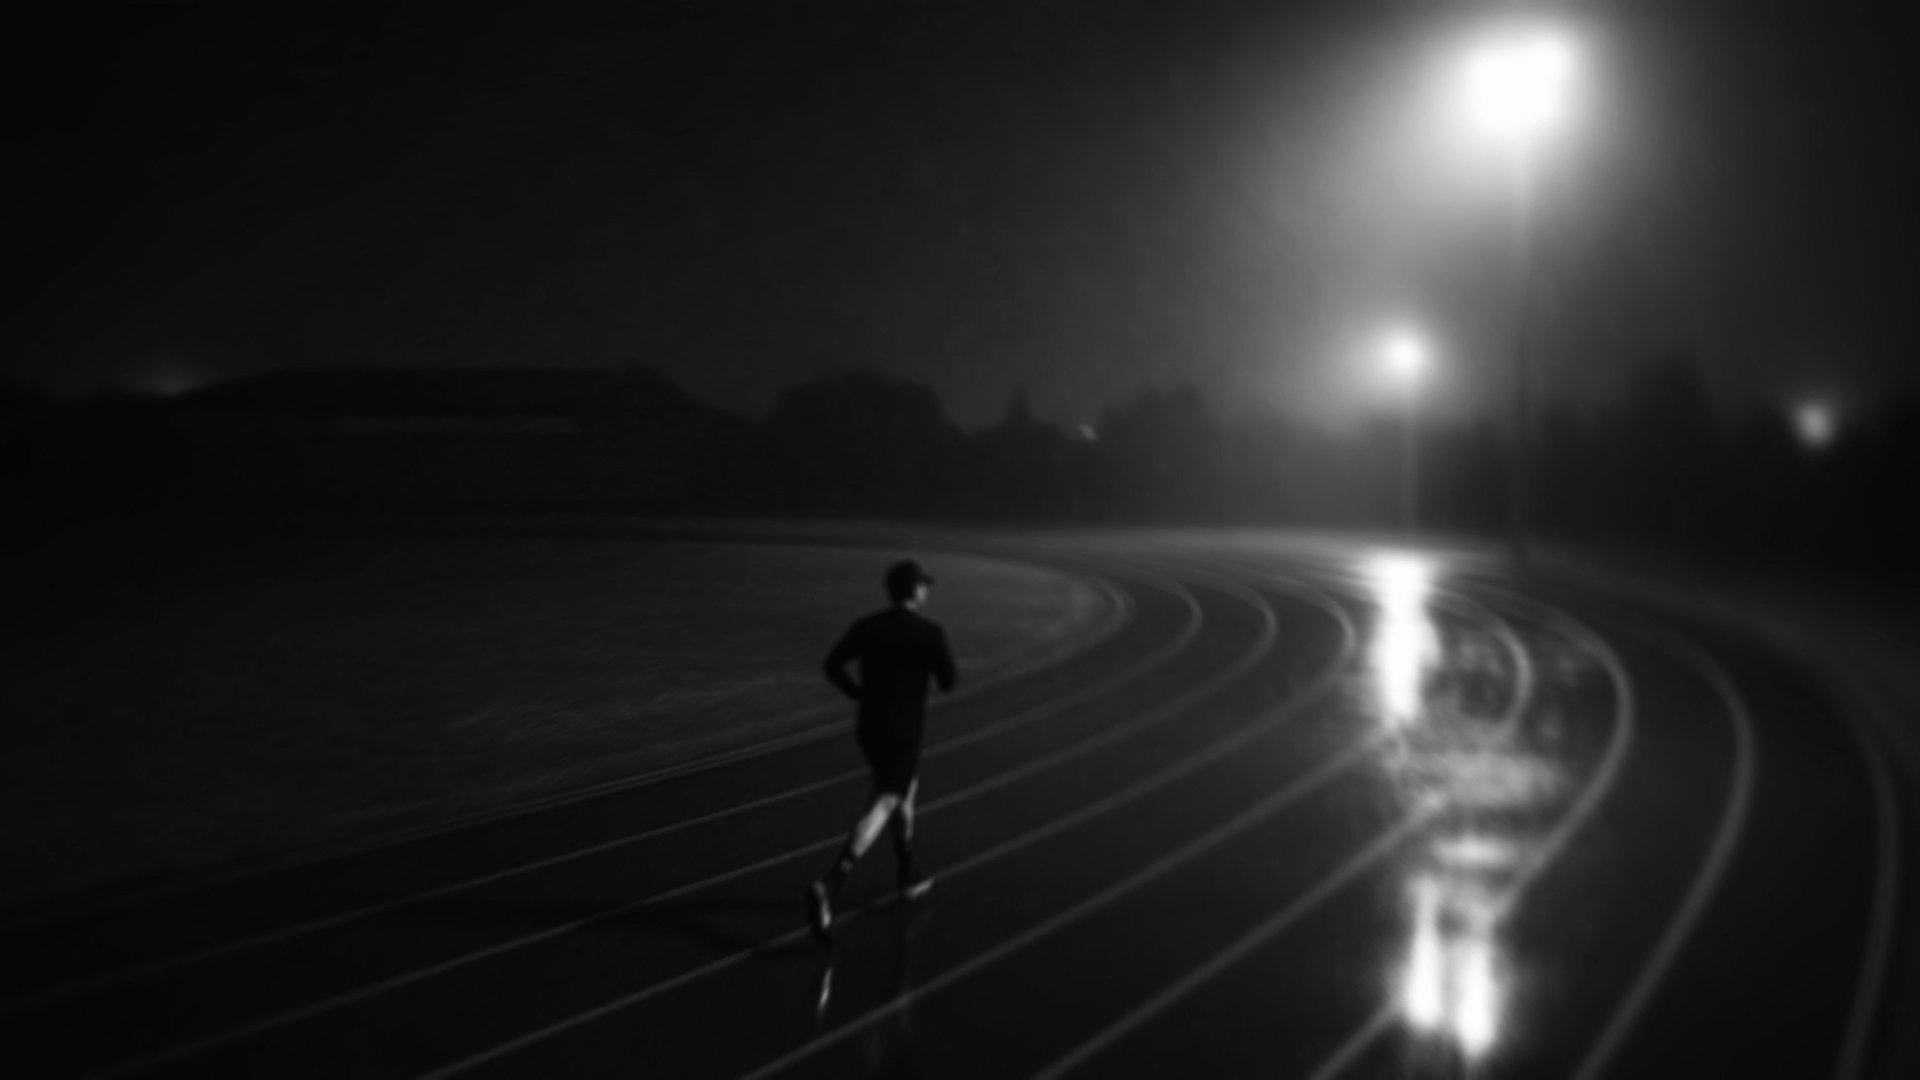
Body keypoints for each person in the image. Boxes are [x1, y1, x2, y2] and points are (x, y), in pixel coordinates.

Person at [806, 558, 957, 938]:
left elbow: (832, 664)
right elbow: (949, 681)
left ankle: (907, 870)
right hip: (905, 730)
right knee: (888, 799)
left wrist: (858, 693)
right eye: (924, 585)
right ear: (914, 590)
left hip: (869, 727)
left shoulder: (868, 626)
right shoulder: (929, 632)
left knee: (903, 791)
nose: (926, 590)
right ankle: (831, 883)